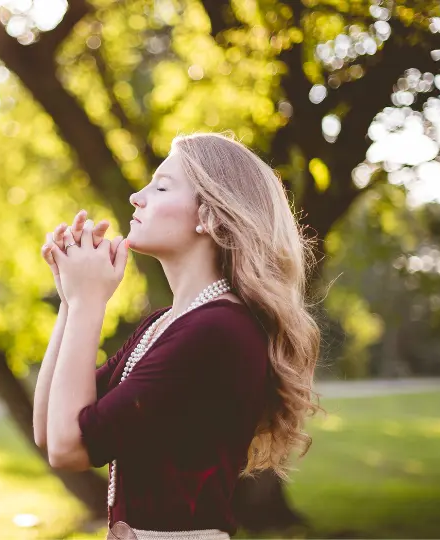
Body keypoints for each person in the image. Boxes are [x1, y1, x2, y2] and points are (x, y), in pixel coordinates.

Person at [34, 132, 322, 540]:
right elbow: (49, 431)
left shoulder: (217, 331)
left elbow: (70, 449)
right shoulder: (166, 324)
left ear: (211, 216)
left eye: (161, 186)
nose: (137, 195)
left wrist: (88, 303)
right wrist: (71, 297)